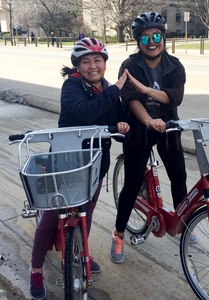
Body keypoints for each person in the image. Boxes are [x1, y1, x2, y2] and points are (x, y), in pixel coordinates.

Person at [29, 37, 130, 300]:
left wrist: (121, 124)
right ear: (78, 65)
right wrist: (117, 88)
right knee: (51, 218)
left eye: (98, 60)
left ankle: (74, 253)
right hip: (65, 163)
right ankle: (36, 270)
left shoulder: (106, 89)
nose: (93, 66)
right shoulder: (72, 86)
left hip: (96, 165)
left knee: (86, 214)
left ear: (105, 64)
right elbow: (86, 113)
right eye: (86, 61)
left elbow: (114, 117)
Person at [110, 12, 187, 264]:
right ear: (138, 42)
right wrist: (147, 120)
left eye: (156, 36)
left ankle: (184, 225)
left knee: (179, 177)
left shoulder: (175, 65)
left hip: (168, 128)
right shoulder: (130, 65)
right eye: (145, 38)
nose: (152, 42)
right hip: (139, 129)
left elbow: (174, 96)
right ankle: (119, 234)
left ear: (163, 37)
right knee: (132, 184)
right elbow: (131, 99)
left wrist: (147, 90)